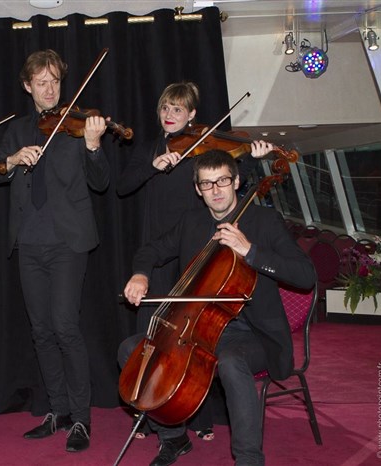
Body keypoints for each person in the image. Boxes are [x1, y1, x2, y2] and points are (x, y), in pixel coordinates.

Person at [119, 149, 317, 466]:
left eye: (222, 181)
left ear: (236, 181)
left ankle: (249, 459)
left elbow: (306, 276)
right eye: (207, 184)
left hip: (251, 334)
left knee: (230, 362)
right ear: (198, 189)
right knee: (132, 350)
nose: (216, 190)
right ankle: (173, 437)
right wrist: (141, 275)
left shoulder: (264, 221)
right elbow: (151, 250)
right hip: (195, 330)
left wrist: (250, 251)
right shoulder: (192, 222)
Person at [116, 82, 274, 441]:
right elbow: (123, 186)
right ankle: (153, 413)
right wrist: (152, 167)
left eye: (178, 109)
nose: (169, 115)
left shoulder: (204, 151)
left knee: (196, 340)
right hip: (158, 249)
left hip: (193, 249)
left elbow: (232, 183)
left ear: (192, 115)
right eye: (165, 108)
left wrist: (253, 158)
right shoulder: (150, 149)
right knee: (155, 338)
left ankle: (198, 416)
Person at [0, 49, 109, 453]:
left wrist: (93, 145)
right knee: (40, 331)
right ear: (28, 86)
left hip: (68, 243)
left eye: (55, 81)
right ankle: (58, 410)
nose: (50, 89)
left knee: (65, 327)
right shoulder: (17, 129)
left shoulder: (77, 125)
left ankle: (81, 417)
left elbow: (102, 182)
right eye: (41, 82)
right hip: (28, 243)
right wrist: (11, 160)